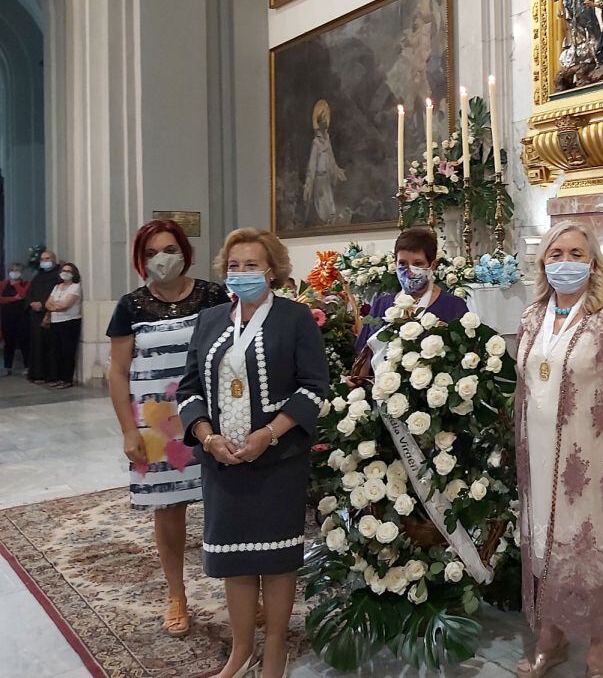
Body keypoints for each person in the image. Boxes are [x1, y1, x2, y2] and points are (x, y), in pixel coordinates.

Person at [178, 227, 329, 678]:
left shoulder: (294, 318)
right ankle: (241, 652)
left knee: (277, 559)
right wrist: (207, 437)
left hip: (277, 461)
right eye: (234, 265)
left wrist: (269, 433)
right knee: (235, 558)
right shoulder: (208, 321)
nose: (241, 273)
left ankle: (276, 651)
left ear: (272, 270)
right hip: (221, 463)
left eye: (251, 265)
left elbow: (314, 389)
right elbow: (188, 390)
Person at [514, 223, 603, 678]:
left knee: (595, 547)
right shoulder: (531, 317)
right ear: (544, 262)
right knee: (545, 546)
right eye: (556, 254)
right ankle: (552, 635)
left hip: (592, 462)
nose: (566, 262)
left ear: (592, 262)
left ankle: (601, 647)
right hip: (540, 460)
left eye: (576, 254)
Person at [106, 219, 230, 637]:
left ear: (185, 251)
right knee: (169, 509)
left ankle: (242, 590)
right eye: (152, 252)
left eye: (170, 249)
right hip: (158, 425)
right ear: (141, 260)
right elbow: (118, 372)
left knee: (226, 505)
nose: (163, 259)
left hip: (211, 419)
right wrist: (129, 430)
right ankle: (176, 594)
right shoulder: (131, 306)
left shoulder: (213, 296)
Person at [354, 227, 467, 358]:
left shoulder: (452, 305)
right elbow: (363, 355)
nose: (409, 271)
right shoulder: (382, 305)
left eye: (417, 264)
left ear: (433, 266)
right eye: (402, 263)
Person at [303, 99, 347, 225]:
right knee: (323, 209)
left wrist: (338, 172)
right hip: (319, 181)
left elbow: (331, 160)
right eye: (322, 119)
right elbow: (311, 167)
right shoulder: (316, 144)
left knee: (331, 210)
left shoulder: (327, 141)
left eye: (326, 119)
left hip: (327, 179)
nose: (325, 123)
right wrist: (308, 184)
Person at [45, 262, 83, 388]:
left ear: (73, 274)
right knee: (56, 352)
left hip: (70, 322)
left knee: (67, 352)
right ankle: (57, 377)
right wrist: (57, 305)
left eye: (68, 271)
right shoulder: (57, 287)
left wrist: (55, 305)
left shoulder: (75, 287)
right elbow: (47, 304)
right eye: (63, 270)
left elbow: (65, 305)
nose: (64, 273)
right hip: (55, 322)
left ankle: (67, 379)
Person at [26, 249, 61, 384]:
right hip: (35, 316)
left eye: (47, 259)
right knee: (36, 345)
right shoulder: (38, 276)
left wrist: (43, 304)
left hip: (49, 314)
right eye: (42, 259)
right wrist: (31, 303)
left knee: (50, 346)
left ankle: (50, 375)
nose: (44, 262)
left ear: (53, 260)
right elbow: (30, 292)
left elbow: (55, 294)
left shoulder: (57, 277)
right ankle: (37, 373)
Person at [0, 262, 30, 376]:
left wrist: (16, 285)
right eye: (12, 270)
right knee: (9, 342)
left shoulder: (26, 283)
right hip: (7, 317)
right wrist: (13, 298)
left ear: (21, 273)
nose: (14, 272)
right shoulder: (3, 284)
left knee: (24, 341)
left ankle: (27, 366)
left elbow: (23, 295)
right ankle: (7, 367)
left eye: (16, 270)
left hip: (22, 317)